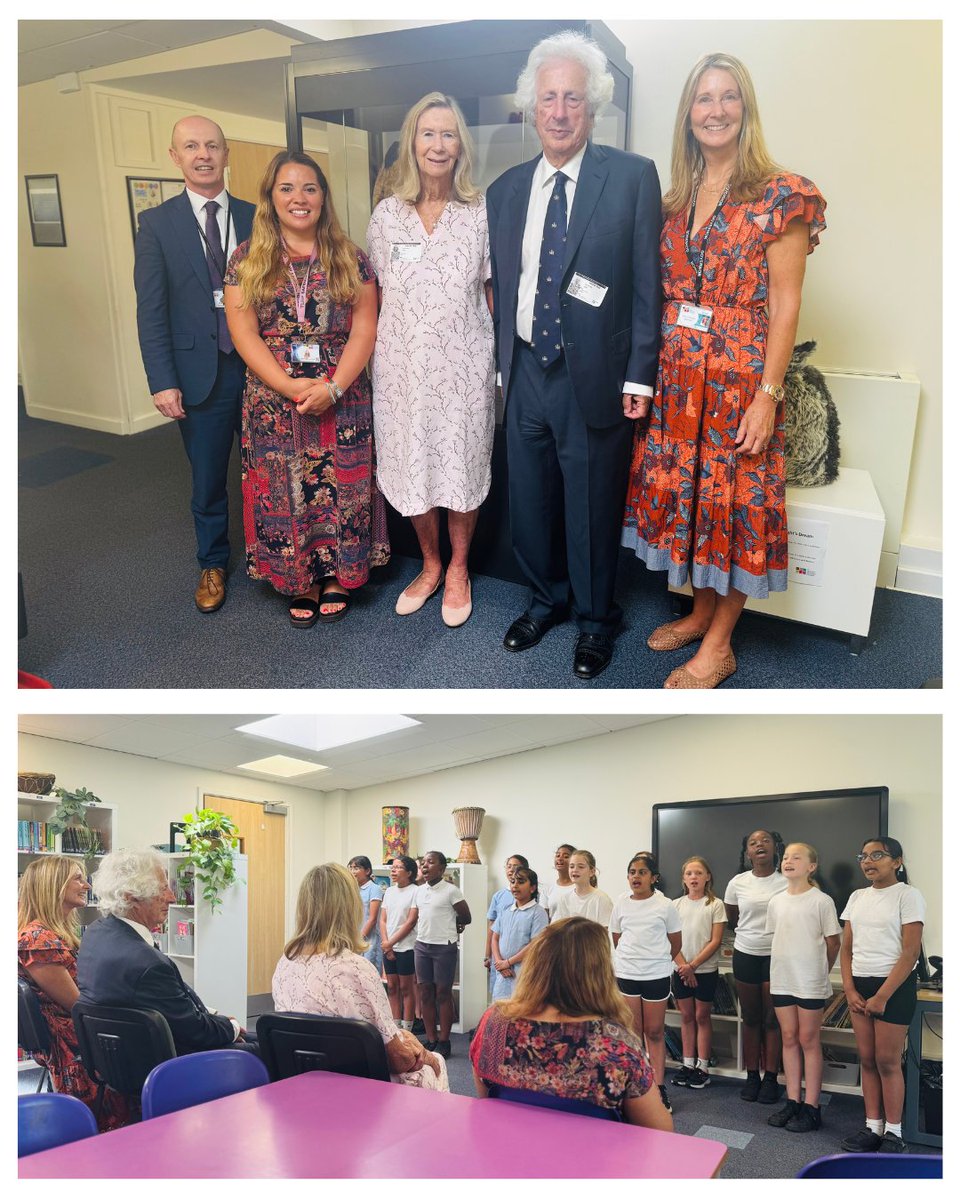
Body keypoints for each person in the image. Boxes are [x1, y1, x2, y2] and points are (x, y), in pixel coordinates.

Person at [622, 52, 827, 688]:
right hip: (679, 380)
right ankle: (700, 610)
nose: (716, 110)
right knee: (693, 502)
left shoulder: (781, 195)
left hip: (740, 381)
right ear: (688, 113)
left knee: (734, 506)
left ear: (746, 109)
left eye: (728, 97)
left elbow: (786, 305)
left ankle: (719, 645)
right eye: (704, 98)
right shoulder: (674, 199)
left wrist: (768, 396)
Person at [487, 30, 662, 680]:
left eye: (573, 99)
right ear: (531, 106)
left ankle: (595, 620)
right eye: (548, 98)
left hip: (595, 376)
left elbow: (647, 286)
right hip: (525, 371)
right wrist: (501, 365)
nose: (559, 112)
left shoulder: (631, 178)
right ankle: (545, 601)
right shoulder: (505, 190)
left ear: (594, 107)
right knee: (530, 504)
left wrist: (640, 374)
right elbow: (502, 285)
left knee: (591, 506)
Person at [224, 151, 389, 627]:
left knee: (342, 488)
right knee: (287, 488)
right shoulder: (246, 259)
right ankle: (300, 577)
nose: (299, 198)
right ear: (270, 198)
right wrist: (289, 386)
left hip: (343, 394)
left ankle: (338, 574)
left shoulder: (350, 257)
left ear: (323, 197)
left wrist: (333, 388)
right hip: (274, 401)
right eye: (287, 188)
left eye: (310, 188)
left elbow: (365, 328)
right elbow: (244, 333)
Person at [366, 93, 495, 628]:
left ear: (460, 145)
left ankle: (459, 567)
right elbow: (373, 296)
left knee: (460, 467)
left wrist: (499, 367)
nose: (438, 145)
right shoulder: (386, 215)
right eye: (428, 134)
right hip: (401, 373)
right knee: (413, 466)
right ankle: (431, 563)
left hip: (463, 370)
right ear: (411, 143)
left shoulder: (480, 212)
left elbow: (491, 292)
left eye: (448, 134)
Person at [134, 116, 255, 614]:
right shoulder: (156, 224)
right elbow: (151, 310)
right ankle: (212, 562)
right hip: (199, 375)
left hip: (260, 369)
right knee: (208, 479)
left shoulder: (257, 216)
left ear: (226, 154)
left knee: (269, 469)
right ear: (175, 156)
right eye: (191, 146)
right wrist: (162, 381)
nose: (202, 155)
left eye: (211, 145)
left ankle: (276, 556)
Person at [470, 916, 672, 1129]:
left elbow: (486, 1099)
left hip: (507, 1144)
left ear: (536, 963)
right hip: (593, 1149)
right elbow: (660, 1130)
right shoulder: (616, 1043)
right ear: (600, 972)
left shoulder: (494, 1021)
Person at [273, 863, 448, 1091]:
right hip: (361, 1088)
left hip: (301, 1080)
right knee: (436, 1062)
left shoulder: (285, 963)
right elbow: (398, 1060)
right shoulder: (357, 968)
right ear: (349, 907)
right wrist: (420, 1052)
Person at [77, 848, 253, 1054]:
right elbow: (197, 1032)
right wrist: (231, 1026)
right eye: (162, 889)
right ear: (131, 898)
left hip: (124, 1056)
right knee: (274, 1048)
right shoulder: (147, 963)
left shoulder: (95, 935)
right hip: (176, 1062)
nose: (171, 897)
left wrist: (212, 1016)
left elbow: (170, 1004)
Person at [18, 856, 129, 1129]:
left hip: (80, 1036)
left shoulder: (54, 935)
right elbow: (79, 1006)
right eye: (78, 879)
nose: (87, 886)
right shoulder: (37, 940)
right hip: (75, 1044)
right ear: (54, 885)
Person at [839, 838, 925, 1154]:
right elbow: (846, 950)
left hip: (894, 988)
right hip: (859, 986)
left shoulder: (908, 895)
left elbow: (910, 952)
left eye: (877, 855)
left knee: (887, 1061)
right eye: (863, 856)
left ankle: (894, 1132)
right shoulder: (857, 897)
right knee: (867, 1059)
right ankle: (873, 1127)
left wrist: (882, 996)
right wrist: (849, 989)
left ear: (897, 862)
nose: (868, 861)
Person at [764, 842, 841, 1133]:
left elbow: (833, 942)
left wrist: (820, 971)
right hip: (783, 978)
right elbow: (779, 937)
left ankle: (812, 1106)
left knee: (809, 1039)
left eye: (796, 857)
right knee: (788, 1037)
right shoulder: (776, 901)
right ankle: (793, 1100)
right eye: (785, 857)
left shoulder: (821, 901)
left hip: (810, 980)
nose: (788, 861)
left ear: (811, 867)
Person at [610, 852, 683, 1114]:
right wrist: (632, 960)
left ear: (654, 878)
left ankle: (659, 1088)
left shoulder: (665, 905)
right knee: (633, 1033)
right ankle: (638, 1086)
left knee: (653, 1032)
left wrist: (656, 960)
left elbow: (675, 943)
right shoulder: (621, 903)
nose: (636, 877)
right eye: (632, 872)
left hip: (656, 975)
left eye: (642, 872)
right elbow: (617, 937)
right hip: (627, 973)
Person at [723, 829, 788, 1104]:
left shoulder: (787, 881)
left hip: (777, 955)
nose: (759, 845)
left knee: (772, 1019)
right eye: (753, 842)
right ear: (747, 852)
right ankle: (752, 1076)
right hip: (746, 953)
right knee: (750, 1017)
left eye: (765, 841)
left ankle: (771, 1078)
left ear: (776, 848)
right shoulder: (737, 883)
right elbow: (733, 919)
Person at [670, 855, 727, 1091]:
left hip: (704, 970)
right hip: (680, 969)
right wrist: (684, 967)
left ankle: (702, 1067)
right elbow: (670, 938)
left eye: (699, 873)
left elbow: (715, 940)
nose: (694, 877)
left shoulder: (715, 904)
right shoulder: (675, 905)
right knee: (686, 1017)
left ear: (707, 877)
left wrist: (692, 966)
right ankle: (688, 1064)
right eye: (689, 873)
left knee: (702, 1016)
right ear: (683, 879)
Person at [409, 850, 472, 1059]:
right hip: (422, 946)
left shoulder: (451, 891)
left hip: (444, 947)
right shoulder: (418, 891)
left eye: (431, 862)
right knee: (425, 993)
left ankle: (444, 1041)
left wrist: (456, 925)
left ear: (442, 868)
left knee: (443, 993)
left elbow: (466, 917)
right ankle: (431, 1039)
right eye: (423, 863)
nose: (425, 866)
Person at [490, 866, 549, 1000]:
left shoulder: (538, 912)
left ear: (532, 888)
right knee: (500, 1008)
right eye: (512, 882)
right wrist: (499, 962)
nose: (515, 885)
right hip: (503, 973)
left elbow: (535, 944)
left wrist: (508, 962)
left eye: (521, 882)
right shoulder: (506, 910)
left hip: (523, 973)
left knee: (521, 1007)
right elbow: (495, 938)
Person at [379, 855, 420, 1030]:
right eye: (392, 868)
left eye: (398, 867)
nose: (393, 871)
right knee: (392, 987)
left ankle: (407, 1029)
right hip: (388, 946)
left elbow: (410, 922)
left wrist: (390, 943)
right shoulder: (389, 891)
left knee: (406, 988)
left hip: (407, 947)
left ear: (409, 872)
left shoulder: (416, 891)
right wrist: (386, 943)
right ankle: (395, 1027)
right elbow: (383, 920)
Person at [483, 854, 529, 984]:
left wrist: (509, 962)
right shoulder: (499, 896)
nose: (511, 870)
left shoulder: (532, 897)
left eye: (516, 866)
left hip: (522, 957)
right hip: (499, 955)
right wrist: (488, 956)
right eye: (509, 866)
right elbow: (492, 927)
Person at [549, 849, 613, 926]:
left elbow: (605, 930)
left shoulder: (601, 898)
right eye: (571, 866)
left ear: (592, 871)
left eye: (581, 867)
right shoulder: (564, 899)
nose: (575, 870)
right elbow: (559, 927)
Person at [347, 855, 383, 972]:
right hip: (353, 939)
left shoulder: (374, 888)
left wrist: (359, 939)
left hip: (368, 940)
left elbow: (372, 919)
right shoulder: (352, 889)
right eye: (351, 868)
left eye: (356, 868)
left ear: (367, 871)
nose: (352, 871)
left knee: (369, 973)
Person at [539, 842, 576, 917]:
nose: (560, 858)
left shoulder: (580, 886)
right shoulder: (548, 887)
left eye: (566, 856)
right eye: (558, 855)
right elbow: (544, 917)